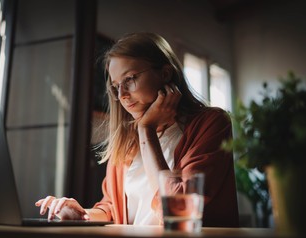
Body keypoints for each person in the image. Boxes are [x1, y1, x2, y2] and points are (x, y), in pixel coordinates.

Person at [36, 32, 239, 227]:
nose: (122, 94)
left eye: (130, 79)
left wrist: (146, 131)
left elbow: (179, 212)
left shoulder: (211, 124)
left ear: (165, 73)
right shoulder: (126, 142)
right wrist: (82, 215)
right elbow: (112, 209)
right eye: (116, 86)